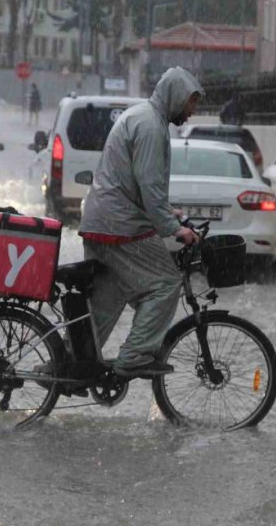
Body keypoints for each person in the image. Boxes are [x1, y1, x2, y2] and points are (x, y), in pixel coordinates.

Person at [79, 66, 204, 378]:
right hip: (118, 225)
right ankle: (134, 357)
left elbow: (139, 185)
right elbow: (149, 184)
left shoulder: (143, 116)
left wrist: (165, 212)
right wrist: (174, 229)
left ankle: (75, 364)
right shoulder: (151, 126)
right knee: (166, 284)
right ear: (176, 97)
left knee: (107, 301)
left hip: (102, 220)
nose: (192, 112)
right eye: (191, 103)